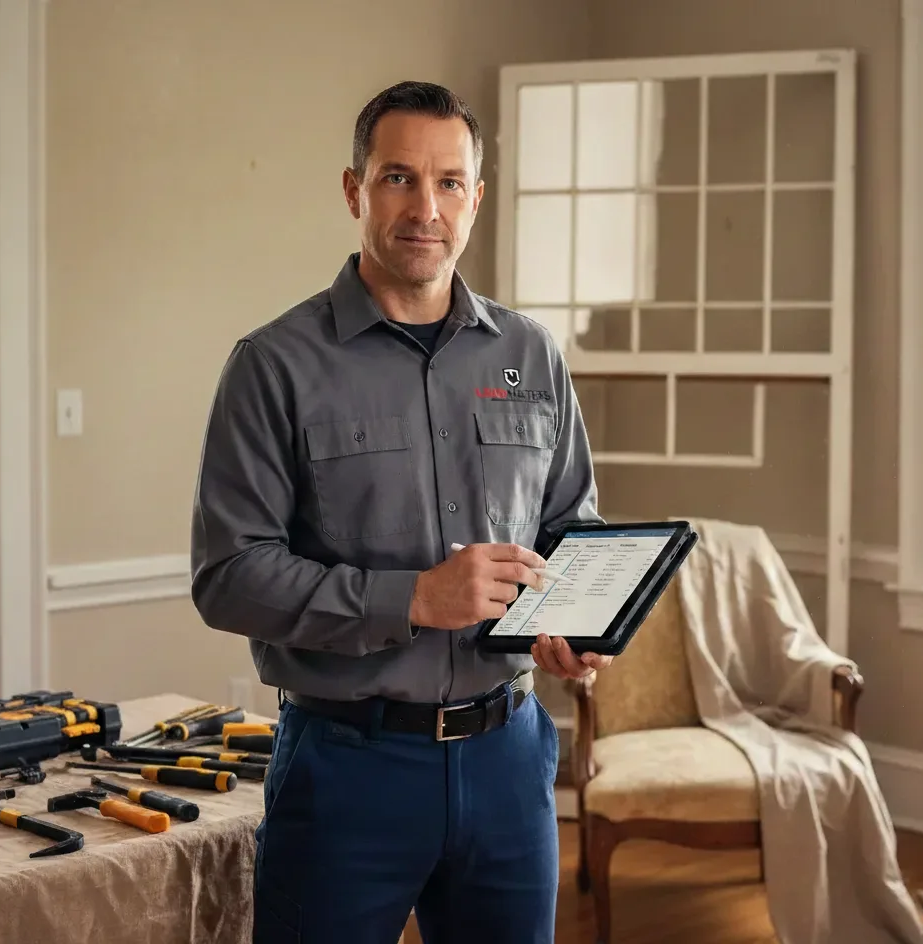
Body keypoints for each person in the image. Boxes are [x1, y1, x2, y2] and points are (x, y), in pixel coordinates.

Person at [190, 80, 611, 944]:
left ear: (476, 197)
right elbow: (228, 576)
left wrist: (577, 619)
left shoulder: (533, 354)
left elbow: (573, 525)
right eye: (398, 178)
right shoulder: (273, 365)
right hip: (349, 769)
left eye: (450, 182)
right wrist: (412, 598)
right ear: (354, 190)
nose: (426, 208)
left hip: (510, 761)